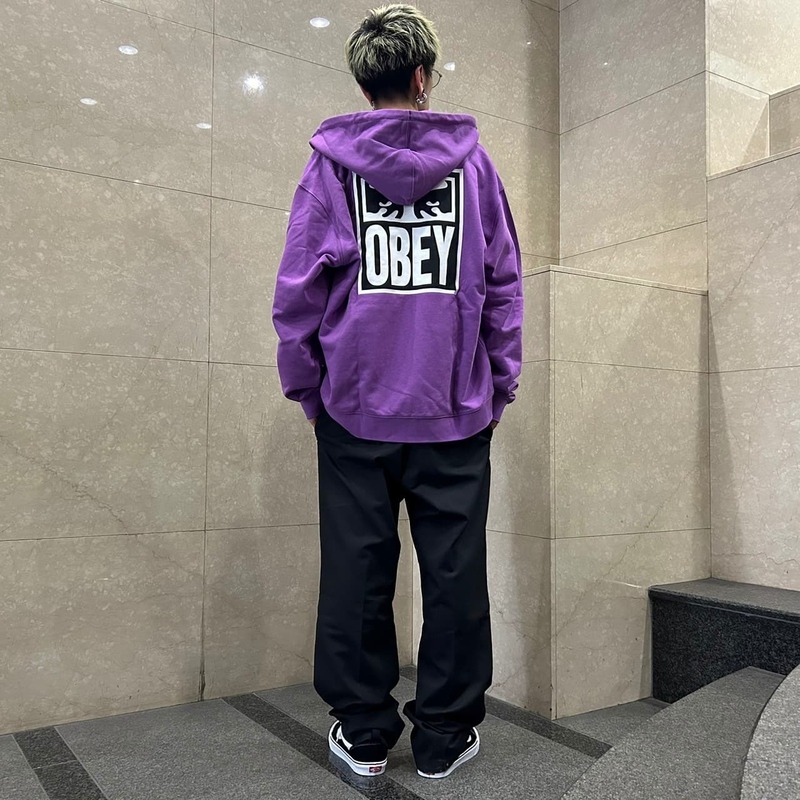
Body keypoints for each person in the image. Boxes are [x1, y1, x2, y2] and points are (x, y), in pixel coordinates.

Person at [272, 3, 523, 781]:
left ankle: (365, 735)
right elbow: (505, 285)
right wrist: (498, 383)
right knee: (455, 576)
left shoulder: (329, 169)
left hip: (355, 409)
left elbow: (298, 291)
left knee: (356, 573)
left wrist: (307, 389)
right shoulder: (475, 169)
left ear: (366, 80)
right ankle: (444, 737)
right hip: (455, 409)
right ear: (422, 76)